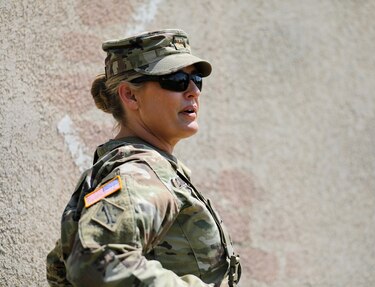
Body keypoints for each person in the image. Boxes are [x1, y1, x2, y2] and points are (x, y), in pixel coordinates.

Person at [46, 29, 241, 287]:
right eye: (176, 79)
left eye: (197, 79)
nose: (194, 90)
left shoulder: (144, 169)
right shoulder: (140, 174)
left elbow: (60, 267)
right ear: (130, 95)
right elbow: (95, 261)